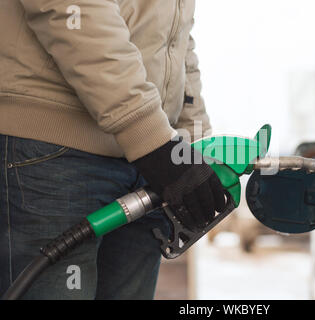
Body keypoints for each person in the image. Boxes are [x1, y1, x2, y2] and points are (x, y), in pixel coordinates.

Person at [0, 0, 226, 299]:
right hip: (59, 152)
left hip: (148, 156)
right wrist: (151, 136)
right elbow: (75, 8)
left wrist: (192, 140)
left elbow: (175, 34)